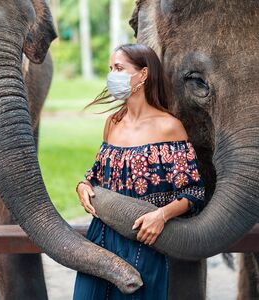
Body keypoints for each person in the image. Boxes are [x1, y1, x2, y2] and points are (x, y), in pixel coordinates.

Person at [72, 43, 206, 300]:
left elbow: (193, 192)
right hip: (100, 238)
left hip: (144, 241)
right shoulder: (113, 123)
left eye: (119, 68)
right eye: (111, 68)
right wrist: (83, 186)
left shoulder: (169, 127)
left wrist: (161, 216)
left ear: (143, 75)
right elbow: (97, 175)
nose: (112, 75)